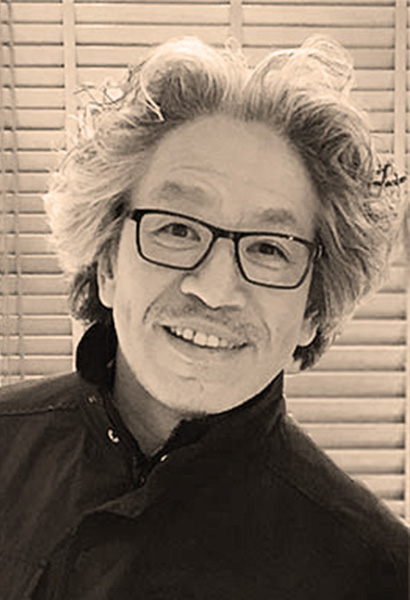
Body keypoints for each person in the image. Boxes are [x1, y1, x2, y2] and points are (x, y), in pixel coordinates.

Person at [0, 35, 408, 599]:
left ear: (312, 310)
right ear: (108, 264)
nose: (215, 292)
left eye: (269, 248)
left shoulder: (377, 573)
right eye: (176, 229)